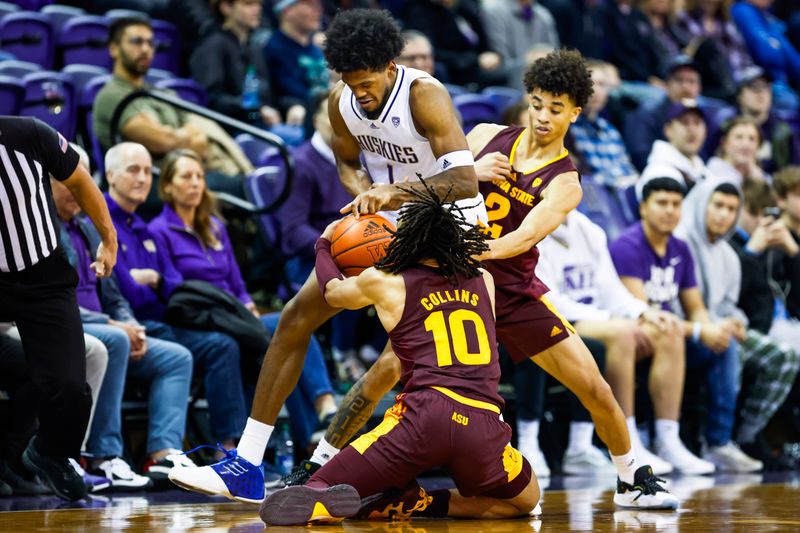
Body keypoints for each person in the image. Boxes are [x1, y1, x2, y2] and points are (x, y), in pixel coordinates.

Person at [256, 50, 678, 510]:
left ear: (575, 112)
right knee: (385, 370)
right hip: (453, 283)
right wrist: (471, 174)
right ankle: (320, 461)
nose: (542, 116)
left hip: (511, 289)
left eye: (556, 109)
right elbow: (444, 178)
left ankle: (631, 476)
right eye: (537, 103)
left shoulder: (566, 181)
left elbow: (523, 237)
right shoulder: (486, 136)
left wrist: (469, 247)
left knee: (593, 385)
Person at [168, 8, 495, 503]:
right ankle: (247, 464)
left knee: (394, 363)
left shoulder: (425, 96)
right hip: (392, 217)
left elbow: (464, 182)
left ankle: (329, 464)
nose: (359, 92)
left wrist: (394, 193)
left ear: (390, 66)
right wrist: (363, 199)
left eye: (366, 82)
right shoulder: (342, 101)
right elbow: (346, 160)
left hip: (450, 224)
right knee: (297, 314)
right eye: (349, 82)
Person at [260, 183, 541, 525]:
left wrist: (324, 245)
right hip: (482, 422)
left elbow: (333, 292)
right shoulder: (484, 279)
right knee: (524, 501)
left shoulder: (385, 280)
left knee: (319, 486)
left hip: (424, 417)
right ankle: (418, 503)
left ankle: (323, 502)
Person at [147, 148, 338, 451]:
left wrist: (246, 302)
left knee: (295, 322)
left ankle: (324, 410)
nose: (195, 183)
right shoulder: (158, 230)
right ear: (168, 186)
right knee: (234, 345)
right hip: (199, 320)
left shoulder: (215, 227)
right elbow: (173, 288)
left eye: (199, 176)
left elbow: (236, 281)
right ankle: (232, 446)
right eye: (186, 177)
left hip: (236, 315)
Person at [52, 149, 195, 489]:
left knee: (176, 357)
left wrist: (131, 324)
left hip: (104, 326)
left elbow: (115, 294)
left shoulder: (89, 231)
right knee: (114, 340)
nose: (79, 190)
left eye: (84, 182)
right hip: (68, 327)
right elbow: (53, 302)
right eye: (70, 181)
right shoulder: (44, 232)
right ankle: (103, 456)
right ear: (48, 182)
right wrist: (113, 325)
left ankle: (163, 453)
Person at [103, 142, 249, 460]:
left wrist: (154, 280)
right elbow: (129, 292)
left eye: (146, 171)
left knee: (268, 338)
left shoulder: (140, 226)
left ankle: (255, 443)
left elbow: (171, 286)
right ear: (109, 175)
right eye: (133, 170)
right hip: (143, 324)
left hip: (162, 319)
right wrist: (151, 283)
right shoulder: (109, 223)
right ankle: (227, 447)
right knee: (223, 345)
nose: (143, 178)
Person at [0, 116, 117, 501]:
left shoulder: (28, 134)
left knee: (69, 387)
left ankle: (50, 452)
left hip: (42, 274)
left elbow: (80, 180)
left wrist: (108, 238)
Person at [536, 210, 684, 476]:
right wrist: (611, 319)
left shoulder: (589, 229)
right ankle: (627, 442)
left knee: (669, 330)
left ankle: (668, 439)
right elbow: (550, 300)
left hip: (599, 318)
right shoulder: (531, 226)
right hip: (559, 320)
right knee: (622, 334)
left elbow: (611, 290)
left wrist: (643, 312)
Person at [609, 177, 738, 473]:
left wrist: (710, 329)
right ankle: (650, 440)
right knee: (672, 331)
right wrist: (697, 330)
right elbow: (641, 309)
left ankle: (714, 442)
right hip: (633, 331)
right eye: (662, 203)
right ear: (643, 208)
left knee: (722, 344)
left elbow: (696, 307)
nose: (670, 211)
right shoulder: (627, 246)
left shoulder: (679, 247)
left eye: (676, 204)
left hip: (667, 334)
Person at [675, 179, 795, 471]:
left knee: (784, 357)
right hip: (688, 327)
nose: (724, 215)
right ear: (703, 203)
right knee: (729, 349)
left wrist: (737, 322)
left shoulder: (728, 253)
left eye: (731, 209)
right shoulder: (682, 241)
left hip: (722, 325)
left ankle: (746, 436)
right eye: (718, 206)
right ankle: (716, 438)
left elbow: (730, 304)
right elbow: (680, 303)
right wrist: (720, 325)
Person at [93, 17, 253, 198]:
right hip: (148, 182)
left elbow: (200, 141)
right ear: (114, 49)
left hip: (182, 175)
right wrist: (181, 137)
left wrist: (175, 138)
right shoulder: (112, 95)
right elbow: (162, 142)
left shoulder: (163, 93)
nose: (145, 49)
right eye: (136, 42)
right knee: (246, 188)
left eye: (150, 43)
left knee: (256, 183)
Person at [276, 91, 371, 382]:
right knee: (352, 268)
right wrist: (337, 245)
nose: (340, 122)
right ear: (316, 120)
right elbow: (292, 231)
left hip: (360, 242)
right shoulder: (299, 163)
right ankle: (343, 351)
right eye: (332, 116)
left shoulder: (361, 161)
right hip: (310, 255)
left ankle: (374, 350)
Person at [191, 0, 283, 127]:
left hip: (259, 124)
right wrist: (256, 110)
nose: (257, 9)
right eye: (248, 4)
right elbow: (212, 99)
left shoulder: (253, 47)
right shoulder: (212, 45)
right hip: (232, 128)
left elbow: (269, 94)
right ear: (226, 7)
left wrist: (292, 107)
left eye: (259, 4)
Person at [623, 56, 704, 171]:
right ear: (667, 85)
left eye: (691, 81)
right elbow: (640, 155)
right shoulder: (647, 113)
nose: (686, 87)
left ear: (699, 88)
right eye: (679, 80)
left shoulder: (702, 116)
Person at [401, 0, 505, 89]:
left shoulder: (464, 8)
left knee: (507, 71)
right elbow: (433, 52)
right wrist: (476, 60)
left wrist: (492, 53)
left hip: (477, 64)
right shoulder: (420, 13)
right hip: (456, 69)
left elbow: (482, 40)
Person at [567, 60, 639, 189]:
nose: (595, 91)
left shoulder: (609, 129)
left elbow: (629, 171)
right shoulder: (566, 128)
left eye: (601, 84)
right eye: (590, 84)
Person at [264, 0, 329, 124]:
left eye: (318, 5)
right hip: (299, 119)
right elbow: (281, 95)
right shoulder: (274, 49)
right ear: (287, 10)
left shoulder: (314, 49)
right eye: (310, 5)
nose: (318, 10)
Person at [731, 0, 800, 112]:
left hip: (782, 86)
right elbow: (767, 54)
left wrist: (778, 46)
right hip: (755, 81)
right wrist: (778, 48)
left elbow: (794, 61)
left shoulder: (766, 16)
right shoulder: (742, 10)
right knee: (787, 102)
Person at [481, 0, 559, 92]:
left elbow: (555, 55)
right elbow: (502, 58)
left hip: (541, 78)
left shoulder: (543, 14)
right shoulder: (494, 9)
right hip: (508, 82)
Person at [640, 99, 710, 192]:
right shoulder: (659, 172)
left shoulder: (704, 172)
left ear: (705, 131)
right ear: (668, 130)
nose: (692, 129)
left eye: (697, 123)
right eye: (685, 122)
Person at [707, 116, 769, 186]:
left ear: (759, 146)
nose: (746, 144)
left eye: (751, 139)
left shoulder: (765, 180)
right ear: (724, 142)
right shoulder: (711, 175)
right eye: (739, 137)